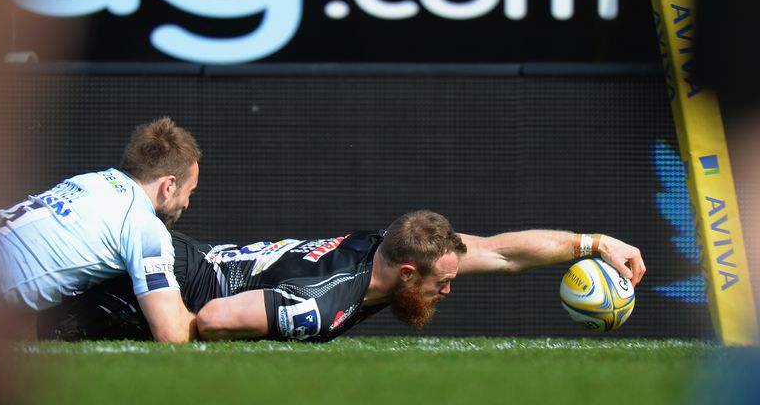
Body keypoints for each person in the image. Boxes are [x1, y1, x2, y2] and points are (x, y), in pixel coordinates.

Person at [38, 210, 645, 342]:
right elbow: (216, 320)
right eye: (440, 283)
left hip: (189, 260)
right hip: (169, 277)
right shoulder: (329, 299)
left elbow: (504, 252)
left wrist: (592, 242)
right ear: (408, 272)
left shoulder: (387, 249)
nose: (449, 289)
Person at [0, 117, 200, 342]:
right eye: (190, 192)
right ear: (169, 186)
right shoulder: (143, 224)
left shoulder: (88, 181)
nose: (187, 203)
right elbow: (172, 334)